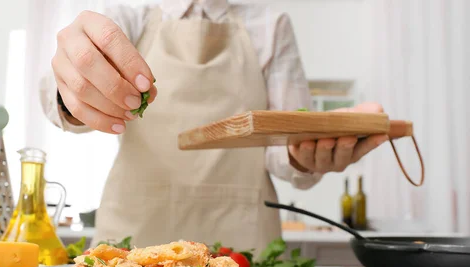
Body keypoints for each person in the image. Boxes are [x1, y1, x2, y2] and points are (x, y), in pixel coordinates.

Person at [40, 0, 387, 250]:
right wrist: (71, 95)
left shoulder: (272, 26)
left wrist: (306, 154)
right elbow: (56, 97)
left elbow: (284, 152)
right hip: (133, 237)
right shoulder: (125, 20)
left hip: (244, 245)